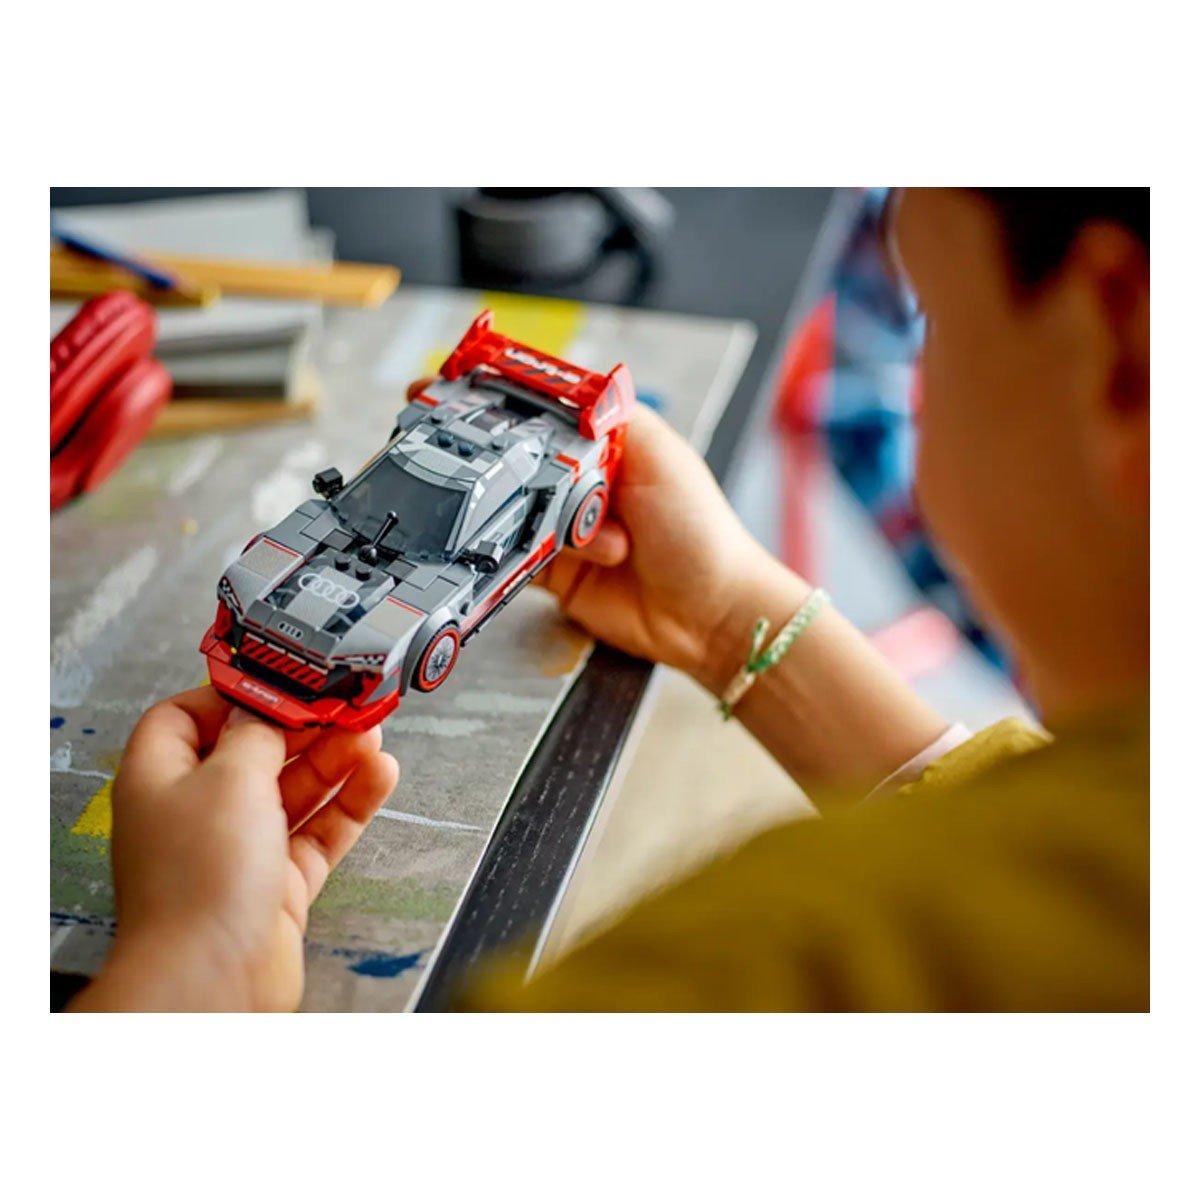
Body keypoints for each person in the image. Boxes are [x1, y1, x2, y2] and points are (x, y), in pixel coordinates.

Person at [70, 188, 1149, 1012]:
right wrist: (723, 616)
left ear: (1123, 346)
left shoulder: (745, 966)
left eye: (931, 319)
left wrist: (195, 970)